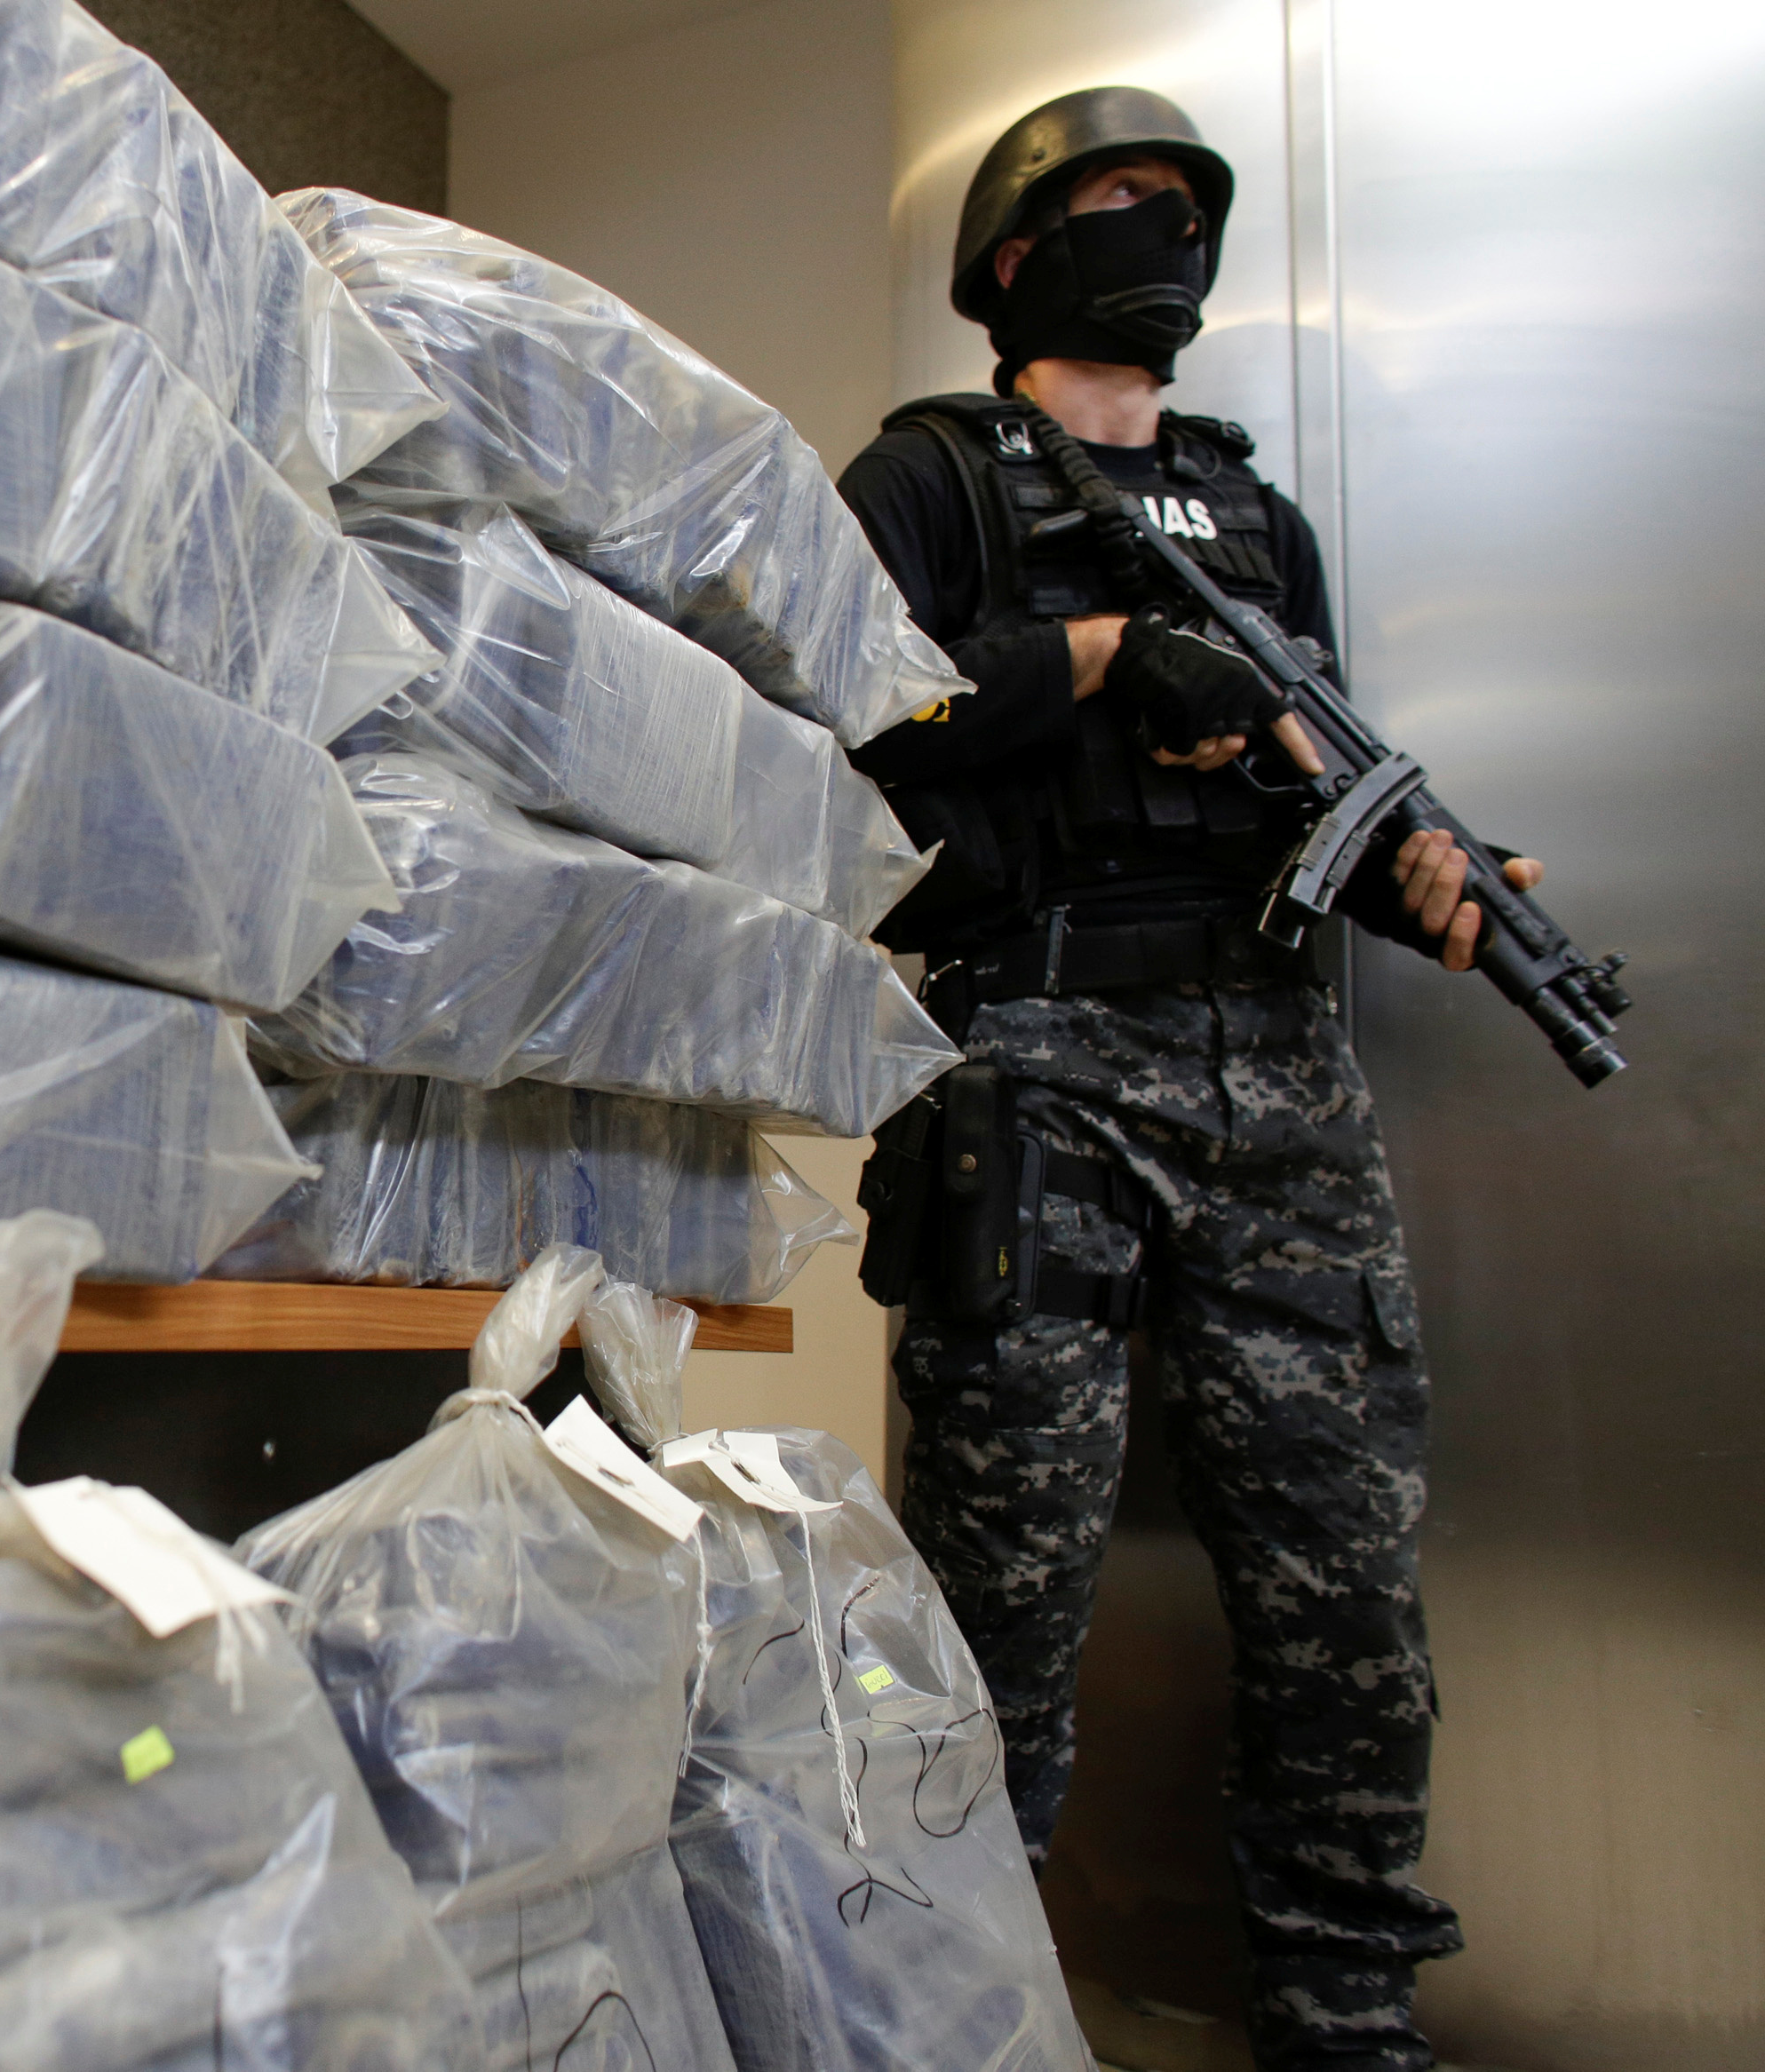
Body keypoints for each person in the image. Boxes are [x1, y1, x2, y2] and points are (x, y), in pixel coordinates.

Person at [834, 87, 1537, 2072]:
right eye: (1113, 204)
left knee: (1342, 1605)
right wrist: (1095, 663)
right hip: (1037, 1060)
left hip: (1280, 1080)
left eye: (1180, 207)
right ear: (1009, 262)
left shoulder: (1255, 511)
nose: (1160, 235)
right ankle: (941, 2016)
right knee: (996, 1604)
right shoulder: (930, 480)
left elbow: (1301, 775)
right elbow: (816, 702)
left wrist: (1417, 879)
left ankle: (1343, 2013)